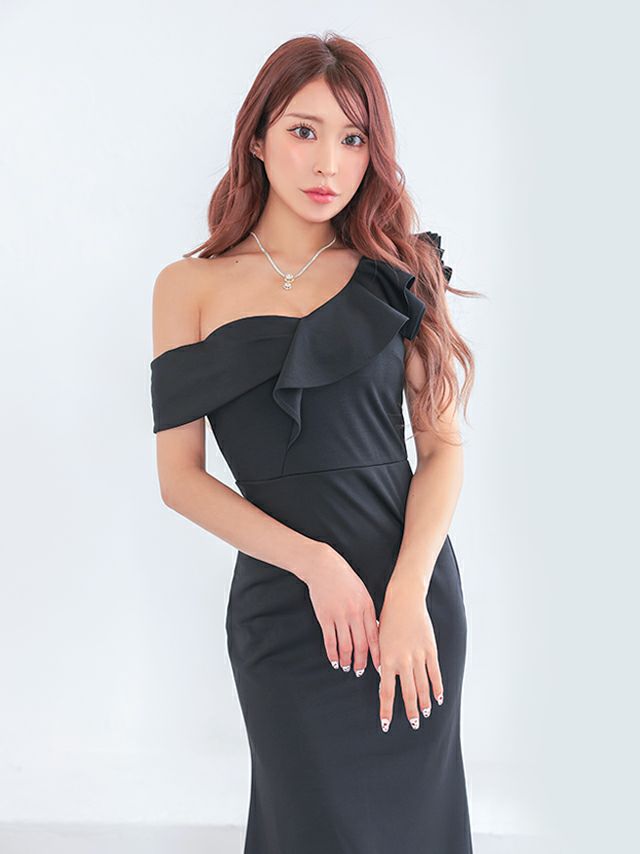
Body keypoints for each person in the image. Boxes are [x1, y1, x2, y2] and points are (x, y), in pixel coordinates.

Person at [150, 32, 477, 854]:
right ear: (258, 139)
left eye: (354, 137)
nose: (328, 162)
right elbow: (180, 479)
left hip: (411, 601)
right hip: (286, 610)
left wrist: (407, 594)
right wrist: (316, 564)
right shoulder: (188, 287)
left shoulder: (400, 271)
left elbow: (442, 451)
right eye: (303, 131)